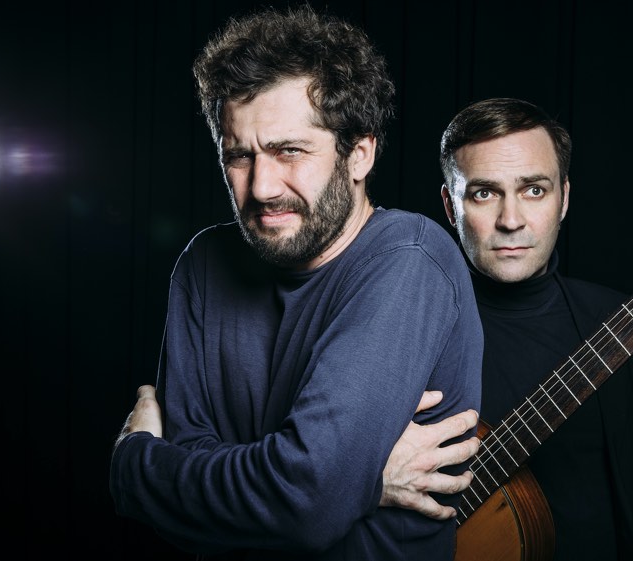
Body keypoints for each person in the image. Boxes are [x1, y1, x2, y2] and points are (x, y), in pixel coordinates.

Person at [108, 5, 483, 560]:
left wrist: (138, 466)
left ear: (359, 154)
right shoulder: (203, 265)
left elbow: (303, 501)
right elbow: (290, 490)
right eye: (239, 156)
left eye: (290, 151)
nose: (262, 187)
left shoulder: (409, 261)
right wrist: (360, 481)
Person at [432, 97, 633, 560]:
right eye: (484, 193)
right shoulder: (408, 329)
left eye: (533, 190)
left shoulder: (622, 322)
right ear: (450, 205)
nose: (511, 220)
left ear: (564, 198)